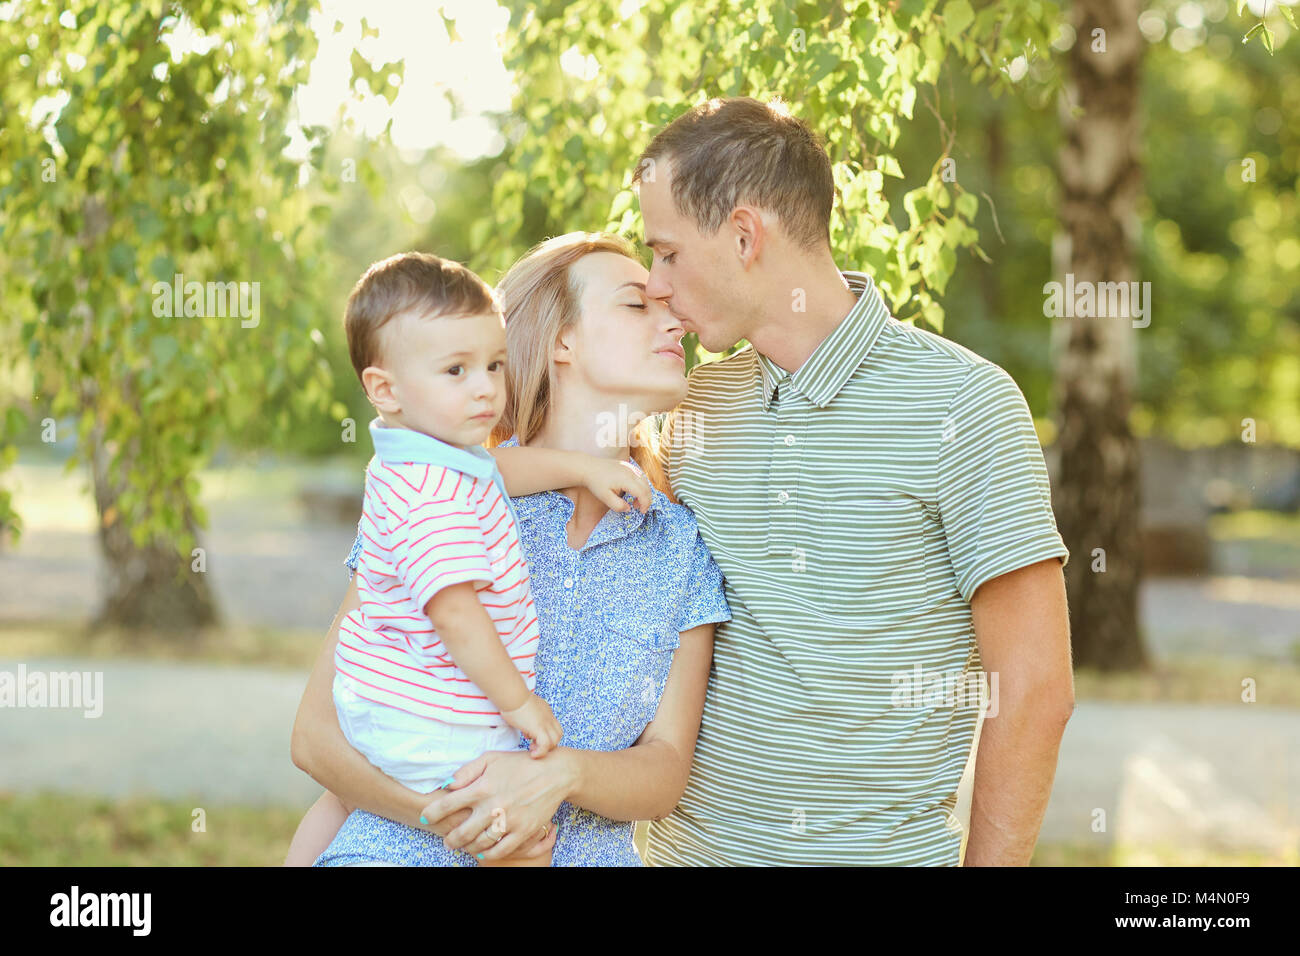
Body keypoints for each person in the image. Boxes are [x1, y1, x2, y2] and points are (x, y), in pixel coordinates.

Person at [632, 97, 1075, 865]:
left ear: (744, 235)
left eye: (666, 252)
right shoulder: (688, 404)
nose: (654, 281)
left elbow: (1035, 690)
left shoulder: (966, 404)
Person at [288, 233, 731, 866]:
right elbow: (317, 740)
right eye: (637, 304)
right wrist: (463, 821)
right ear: (561, 340)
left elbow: (663, 771)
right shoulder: (443, 495)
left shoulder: (680, 546)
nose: (675, 320)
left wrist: (563, 776)